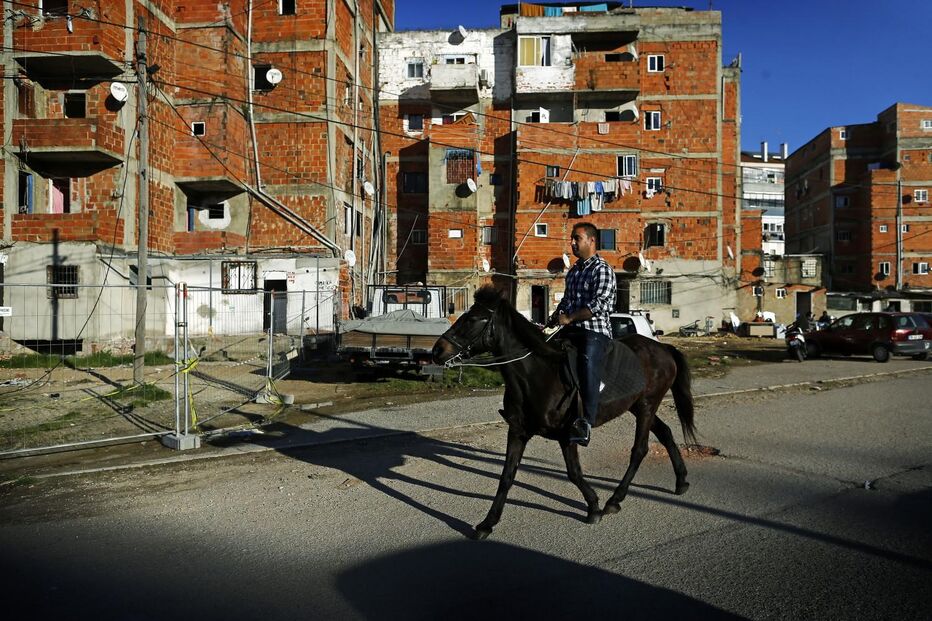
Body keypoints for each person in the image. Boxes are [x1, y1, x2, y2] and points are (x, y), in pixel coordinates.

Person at [548, 222, 616, 446]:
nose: (572, 243)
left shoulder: (602, 269)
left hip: (595, 332)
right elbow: (567, 301)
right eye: (572, 239)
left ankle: (586, 421)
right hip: (572, 330)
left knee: (586, 361)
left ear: (591, 240)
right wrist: (556, 315)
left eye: (577, 238)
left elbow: (601, 304)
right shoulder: (575, 271)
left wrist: (569, 318)